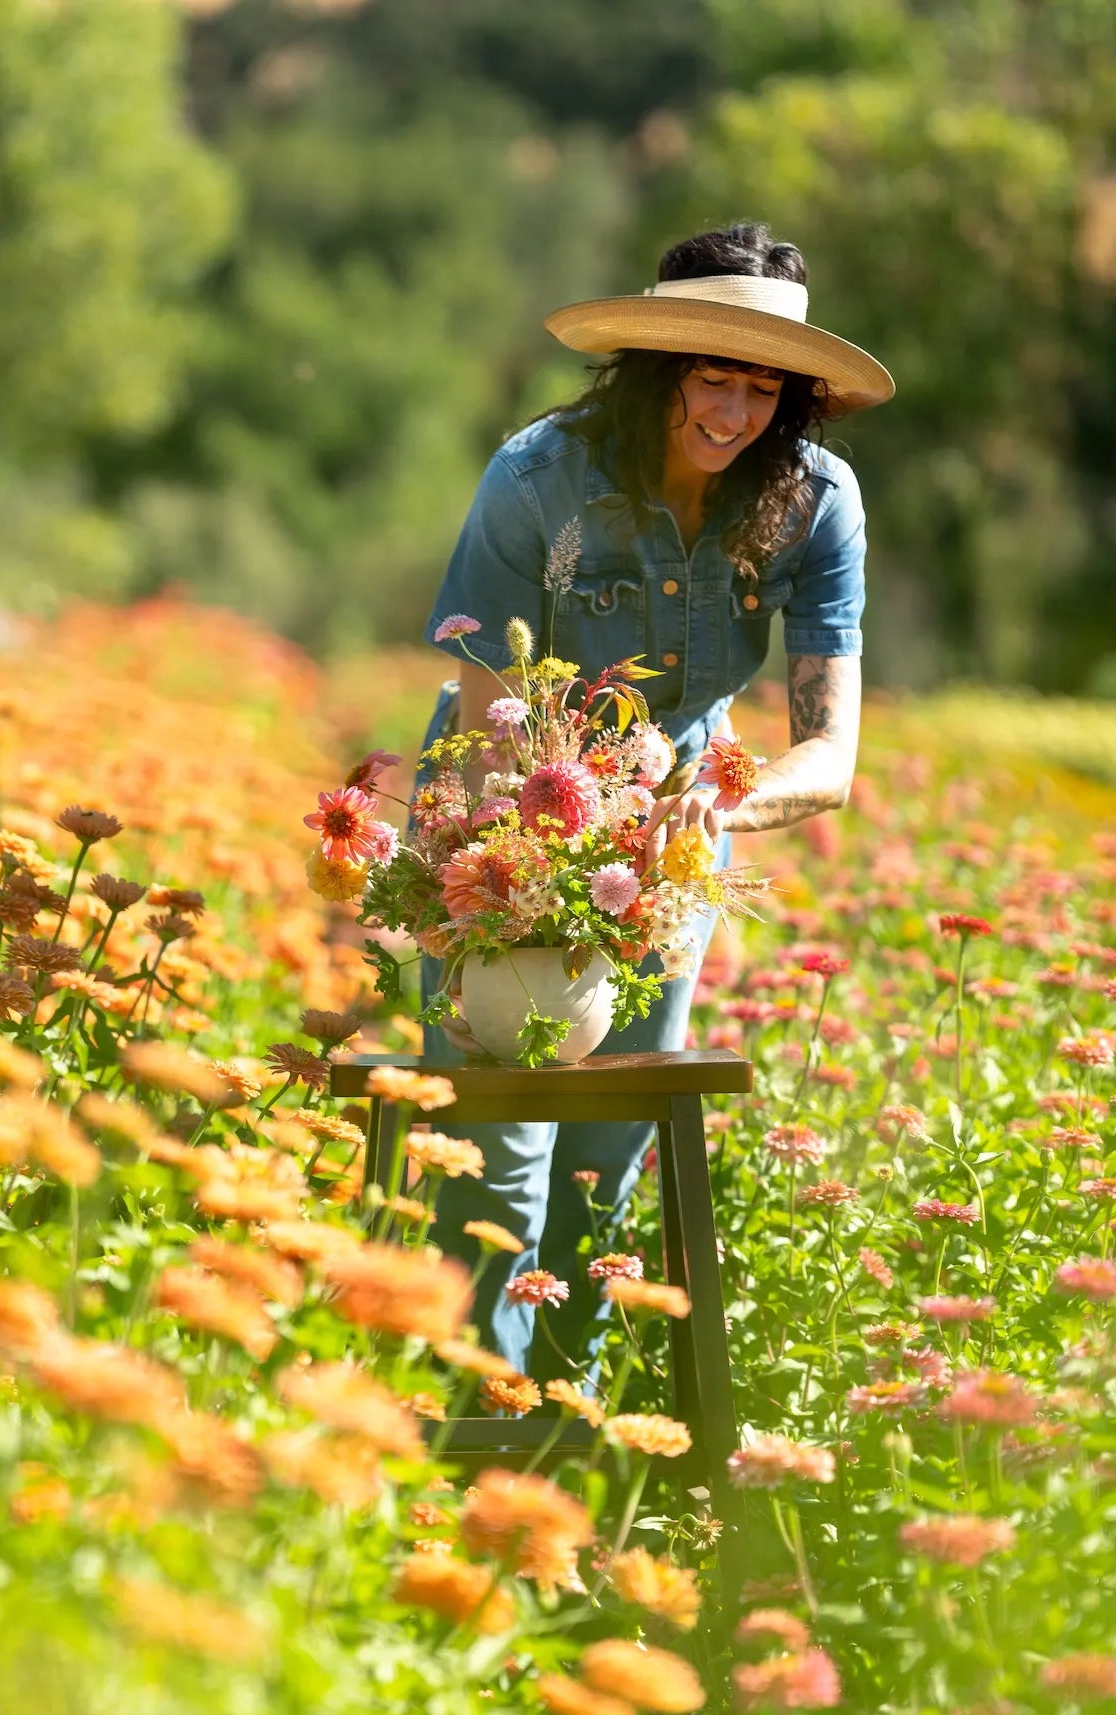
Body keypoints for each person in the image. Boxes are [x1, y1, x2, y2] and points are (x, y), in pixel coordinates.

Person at [416, 219, 893, 1378]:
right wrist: (543, 857)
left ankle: (573, 1442)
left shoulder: (819, 502)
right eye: (711, 379)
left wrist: (710, 816)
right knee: (503, 1145)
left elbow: (828, 752)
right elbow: (489, 703)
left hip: (679, 820)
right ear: (654, 369)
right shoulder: (540, 474)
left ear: (797, 399)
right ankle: (476, 1440)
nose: (734, 414)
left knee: (605, 1154)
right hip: (507, 804)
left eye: (763, 390)